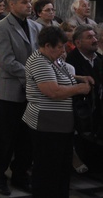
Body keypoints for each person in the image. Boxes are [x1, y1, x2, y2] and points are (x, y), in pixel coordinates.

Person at [23, 26, 92, 198]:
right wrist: (78, 89)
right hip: (47, 124)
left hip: (60, 126)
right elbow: (53, 91)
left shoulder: (53, 59)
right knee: (47, 171)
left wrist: (80, 78)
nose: (63, 51)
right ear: (47, 45)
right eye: (60, 47)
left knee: (60, 170)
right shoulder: (39, 61)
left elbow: (62, 76)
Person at [0, 0, 41, 196]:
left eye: (30, 2)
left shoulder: (36, 26)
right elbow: (7, 60)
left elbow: (40, 55)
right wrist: (33, 75)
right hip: (11, 89)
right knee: (5, 137)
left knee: (26, 138)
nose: (29, 5)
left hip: (33, 92)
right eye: (24, 2)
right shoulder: (0, 27)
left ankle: (20, 174)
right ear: (11, 5)